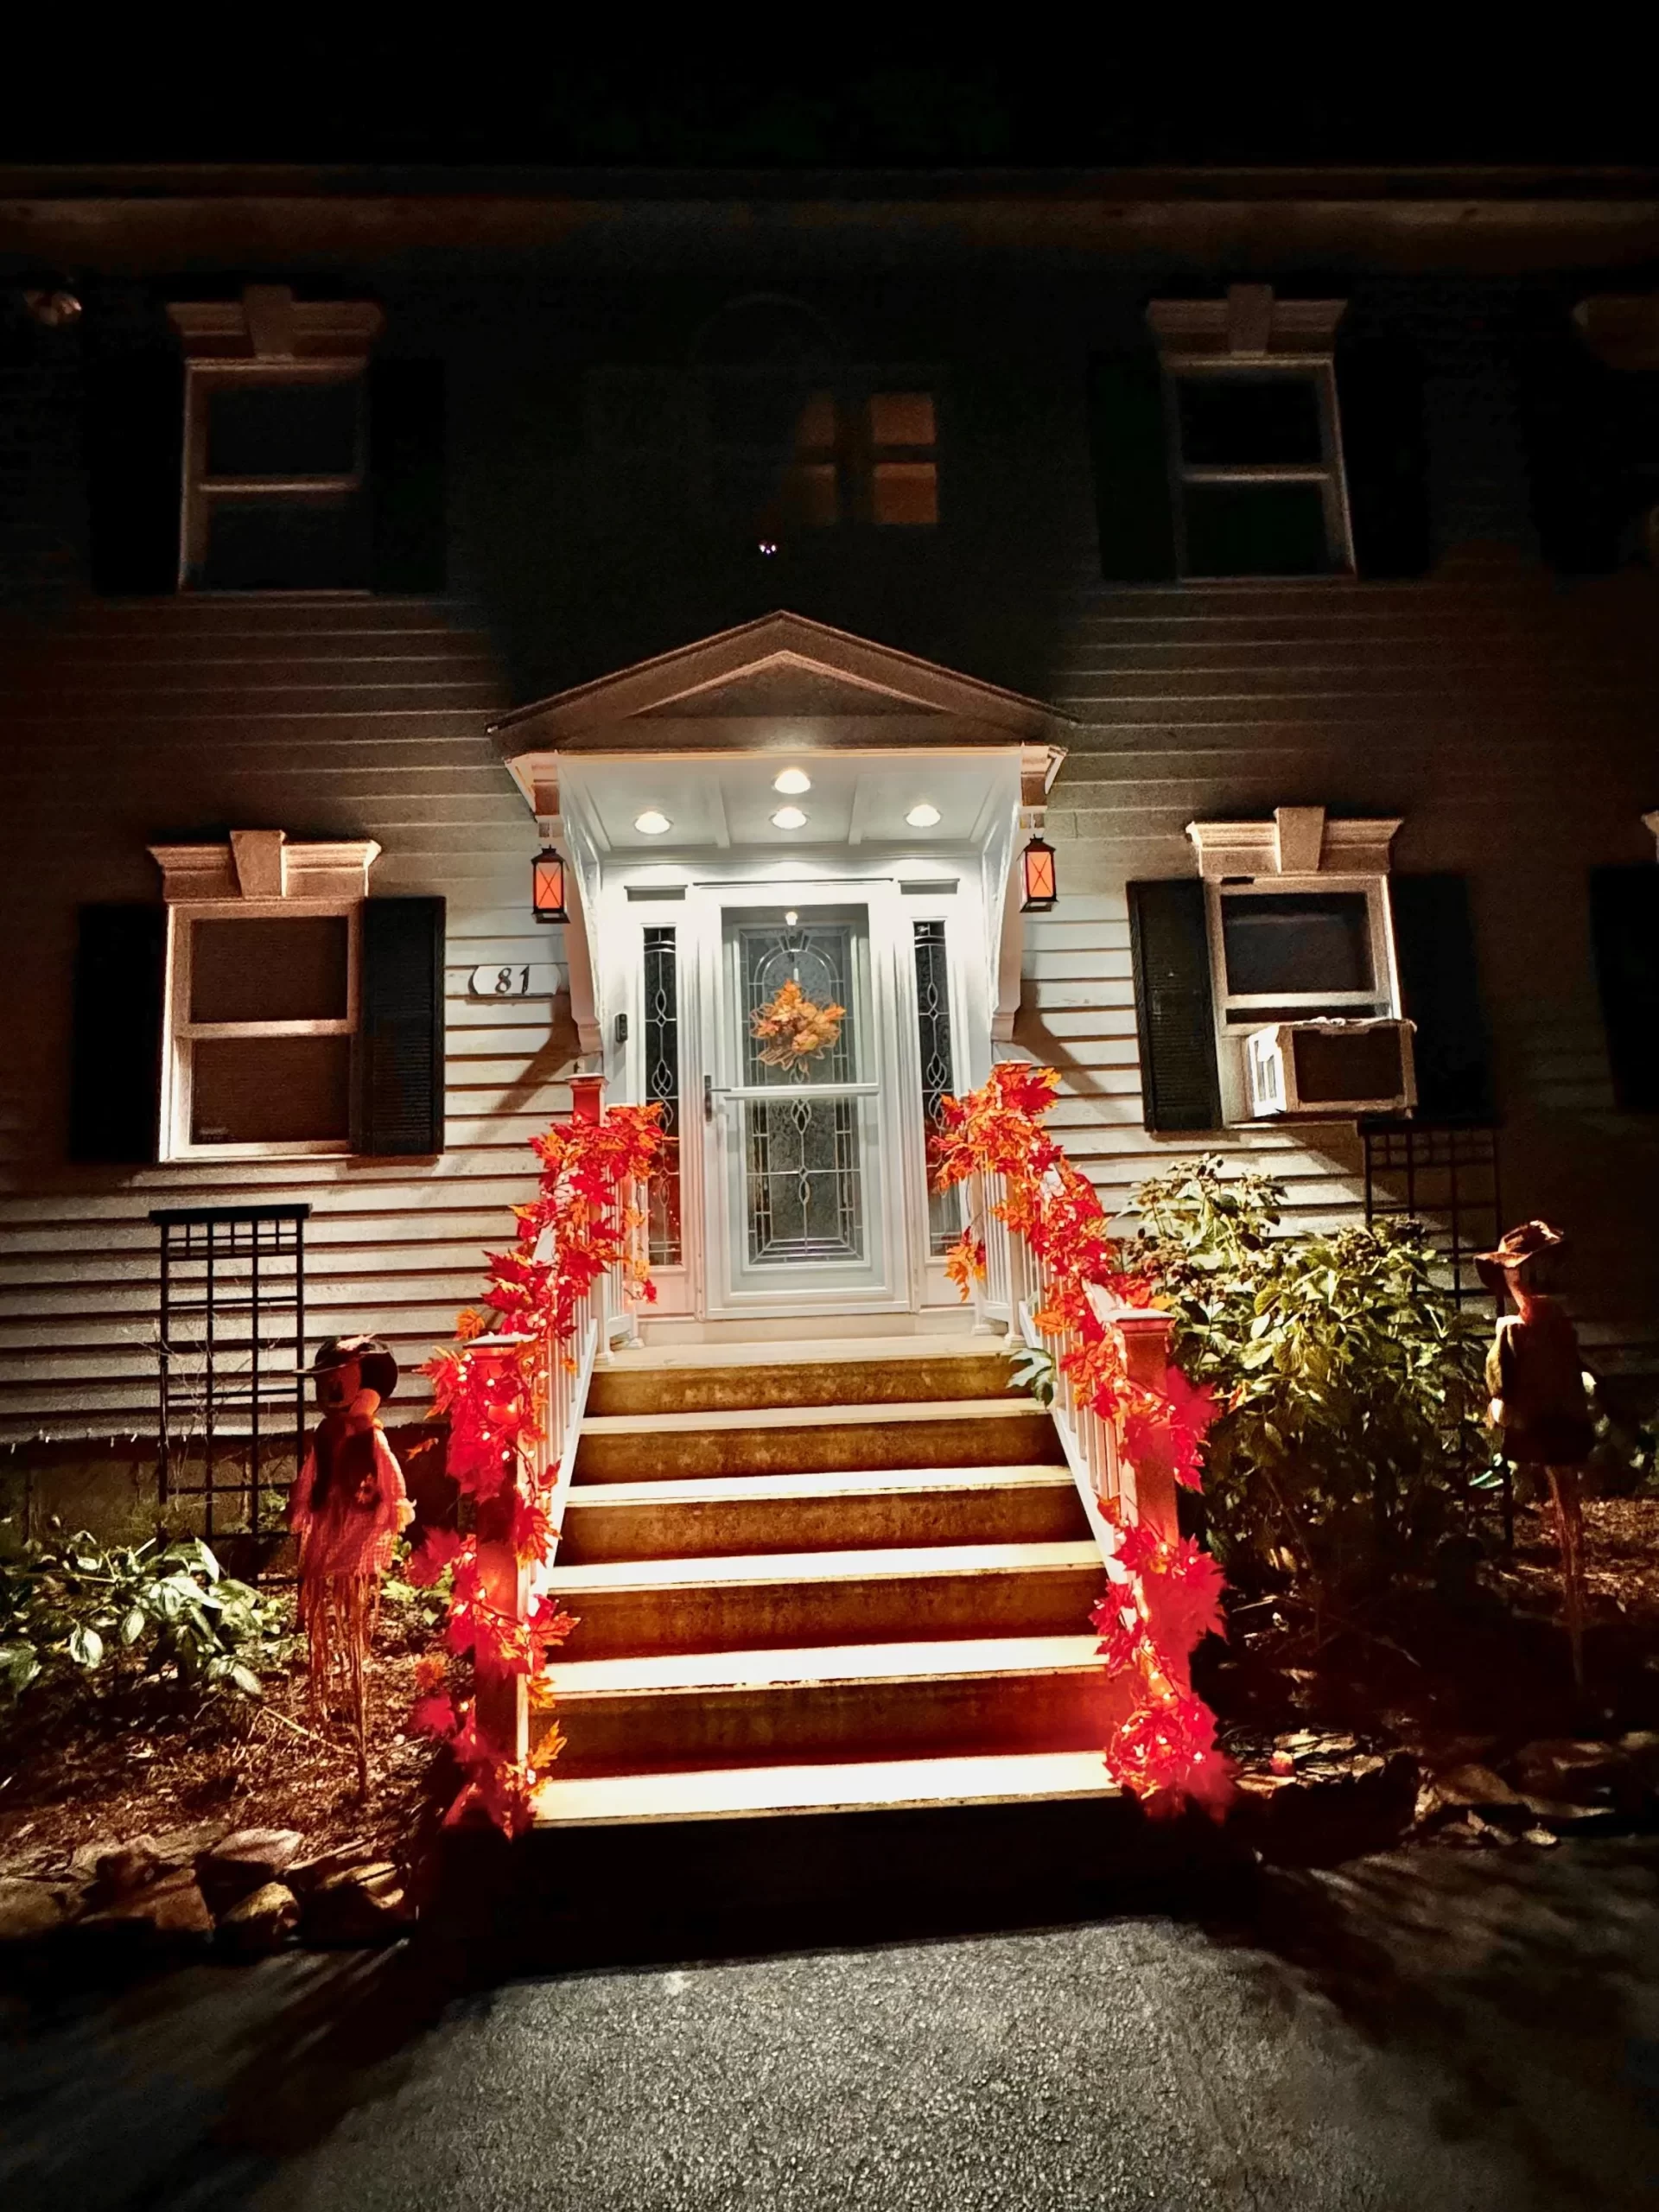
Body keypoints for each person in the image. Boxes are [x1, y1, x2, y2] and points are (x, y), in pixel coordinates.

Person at [288, 1334, 414, 1788]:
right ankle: (333, 1700)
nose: (331, 1393)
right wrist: (301, 1504)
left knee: (357, 1615)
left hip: (360, 1529)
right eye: (326, 1385)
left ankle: (358, 1710)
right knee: (330, 1622)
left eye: (338, 1383)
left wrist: (396, 1505)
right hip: (329, 1528)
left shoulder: (372, 1438)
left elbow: (390, 1475)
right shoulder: (323, 1437)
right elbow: (310, 1476)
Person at [1478, 1222, 1594, 1690]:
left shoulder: (1545, 1323)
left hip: (1557, 1425)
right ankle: (1575, 1645)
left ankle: (1580, 1636)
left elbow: (1521, 1388)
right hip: (1547, 1427)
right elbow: (1504, 1389)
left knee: (1570, 1517)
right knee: (1564, 1512)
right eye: (1519, 1272)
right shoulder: (1524, 1327)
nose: (1524, 1280)